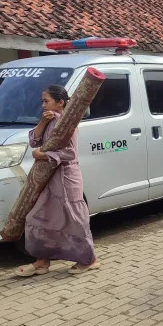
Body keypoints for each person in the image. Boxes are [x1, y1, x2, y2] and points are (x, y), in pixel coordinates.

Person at [15, 85, 97, 277]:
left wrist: (42, 154)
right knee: (37, 217)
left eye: (47, 101)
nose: (43, 105)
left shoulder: (68, 123)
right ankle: (42, 261)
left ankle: (89, 259)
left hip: (67, 178)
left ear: (60, 102)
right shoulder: (48, 119)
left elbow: (69, 152)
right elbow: (34, 142)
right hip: (49, 178)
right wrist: (42, 124)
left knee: (74, 219)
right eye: (42, 101)